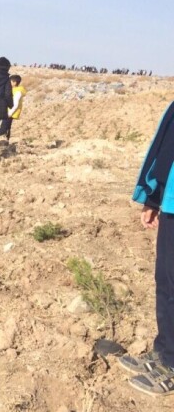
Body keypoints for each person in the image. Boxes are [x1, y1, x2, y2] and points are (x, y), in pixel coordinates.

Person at [122, 101, 174, 396]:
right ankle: (165, 351)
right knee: (166, 281)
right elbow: (167, 152)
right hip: (171, 202)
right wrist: (153, 199)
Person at [0, 75, 26, 140]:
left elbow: (15, 104)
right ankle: (6, 140)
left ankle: (0, 140)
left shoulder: (18, 92)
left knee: (3, 128)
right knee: (8, 127)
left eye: (9, 82)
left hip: (10, 112)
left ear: (15, 82)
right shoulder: (13, 90)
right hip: (10, 112)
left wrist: (9, 113)